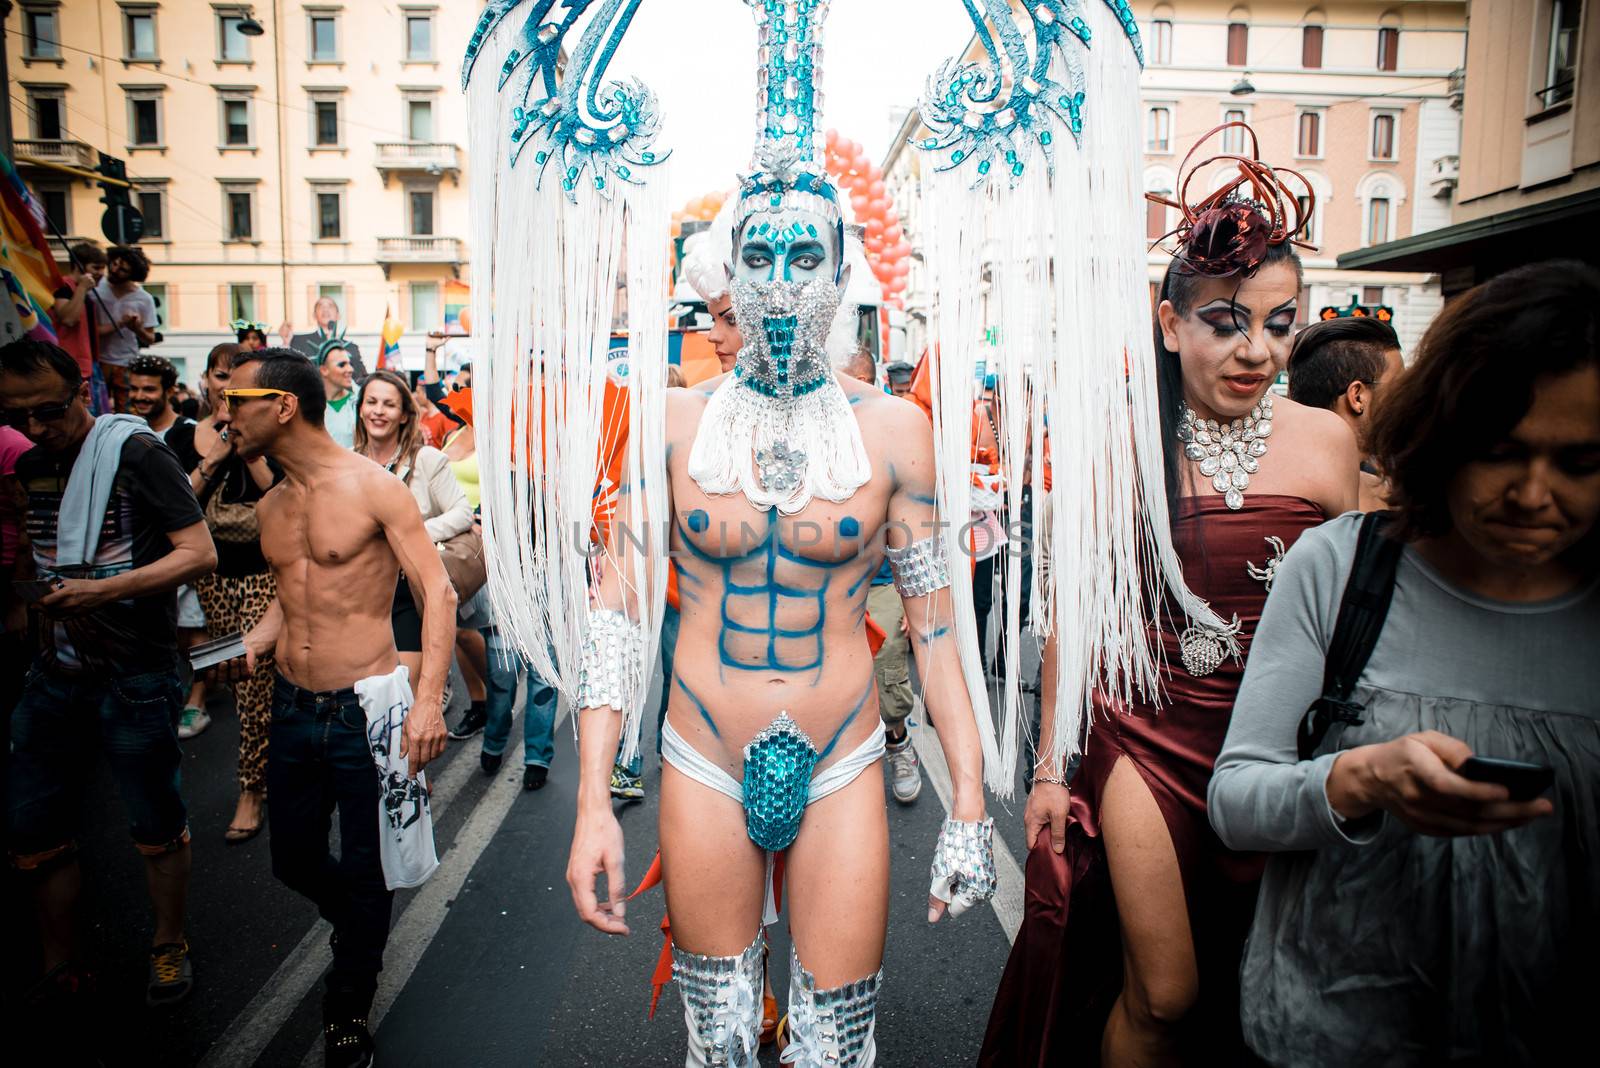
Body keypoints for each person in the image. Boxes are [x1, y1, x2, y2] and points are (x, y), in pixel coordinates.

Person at [549, 18, 997, 1065]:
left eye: (807, 255)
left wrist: (970, 804)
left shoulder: (896, 433)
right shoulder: (669, 422)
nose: (783, 280)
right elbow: (615, 619)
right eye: (760, 255)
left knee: (835, 1049)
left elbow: (937, 634)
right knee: (721, 1045)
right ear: (727, 275)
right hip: (701, 750)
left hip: (841, 752)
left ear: (842, 271)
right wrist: (591, 806)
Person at [981, 125, 1358, 1066]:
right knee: (1167, 992)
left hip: (1278, 750)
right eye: (1227, 321)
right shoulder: (1124, 447)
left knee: (1260, 990)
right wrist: (1048, 768)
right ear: (1169, 323)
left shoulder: (1327, 443)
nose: (1257, 350)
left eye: (1279, 323)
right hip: (1146, 741)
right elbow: (1077, 613)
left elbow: (1358, 615)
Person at [1208, 260, 1600, 1065]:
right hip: (1332, 1034)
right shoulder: (1339, 568)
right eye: (1501, 452)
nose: (1533, 494)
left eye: (1579, 463)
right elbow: (1238, 797)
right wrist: (1360, 782)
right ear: (1442, 432)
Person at [214, 347, 452, 1066]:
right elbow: (293, 601)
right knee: (292, 858)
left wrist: (429, 703)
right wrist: (255, 639)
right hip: (293, 708)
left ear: (282, 406)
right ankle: (357, 925)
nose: (226, 416)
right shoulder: (275, 504)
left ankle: (348, 1002)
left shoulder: (375, 488)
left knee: (369, 863)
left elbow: (436, 593)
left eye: (236, 401)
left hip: (367, 710)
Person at [1, 338, 216, 1009]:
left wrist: (101, 590)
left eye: (50, 411)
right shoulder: (30, 466)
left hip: (137, 677)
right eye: (19, 415)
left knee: (154, 821)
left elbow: (199, 552)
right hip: (55, 675)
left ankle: (169, 942)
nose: (37, 428)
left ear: (82, 393)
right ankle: (60, 961)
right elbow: (31, 558)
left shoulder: (136, 454)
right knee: (34, 831)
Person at [166, 343, 281, 842]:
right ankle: (267, 760)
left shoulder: (269, 432)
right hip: (210, 578)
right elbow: (177, 506)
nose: (227, 389)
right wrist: (213, 454)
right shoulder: (181, 437)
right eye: (220, 377)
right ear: (206, 381)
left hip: (262, 572)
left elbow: (279, 491)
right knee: (231, 679)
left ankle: (251, 790)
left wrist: (247, 443)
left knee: (255, 683)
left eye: (239, 382)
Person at [352, 369, 474, 696]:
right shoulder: (347, 464)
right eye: (372, 402)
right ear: (360, 408)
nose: (378, 411)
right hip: (361, 593)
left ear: (404, 415)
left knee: (406, 694)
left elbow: (462, 513)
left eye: (389, 405)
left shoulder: (426, 460)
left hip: (408, 592)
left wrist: (409, 534)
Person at [128, 354, 211, 736]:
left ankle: (197, 700)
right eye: (134, 388)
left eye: (149, 389)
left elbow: (201, 489)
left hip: (188, 543)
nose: (140, 396)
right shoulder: (125, 432)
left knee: (196, 628)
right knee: (174, 629)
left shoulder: (186, 433)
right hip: (146, 549)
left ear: (168, 391)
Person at [1286, 315, 1405, 512]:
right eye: (1400, 387)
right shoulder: (1375, 501)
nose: (1408, 399)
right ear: (1357, 397)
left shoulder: (1381, 489)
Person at [92, 246, 158, 412]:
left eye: (123, 270)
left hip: (126, 361)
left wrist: (136, 328)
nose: (114, 270)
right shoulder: (95, 289)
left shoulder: (144, 299)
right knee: (97, 409)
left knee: (128, 410)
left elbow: (150, 338)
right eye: (113, 264)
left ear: (133, 274)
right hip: (98, 360)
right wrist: (120, 323)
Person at [48, 243, 105, 390]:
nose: (101, 273)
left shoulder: (86, 293)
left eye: (103, 268)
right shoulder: (64, 287)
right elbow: (68, 318)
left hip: (87, 365)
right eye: (96, 268)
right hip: (70, 366)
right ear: (79, 266)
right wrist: (82, 287)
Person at [283, 296, 366, 379]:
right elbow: (287, 372)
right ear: (314, 315)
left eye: (330, 306)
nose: (325, 309)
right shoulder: (299, 342)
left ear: (338, 315)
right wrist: (286, 343)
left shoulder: (351, 347)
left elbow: (361, 379)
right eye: (321, 306)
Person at [316, 342, 358, 449]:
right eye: (342, 365)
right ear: (324, 370)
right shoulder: (311, 406)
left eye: (349, 364)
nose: (350, 369)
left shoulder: (358, 403)